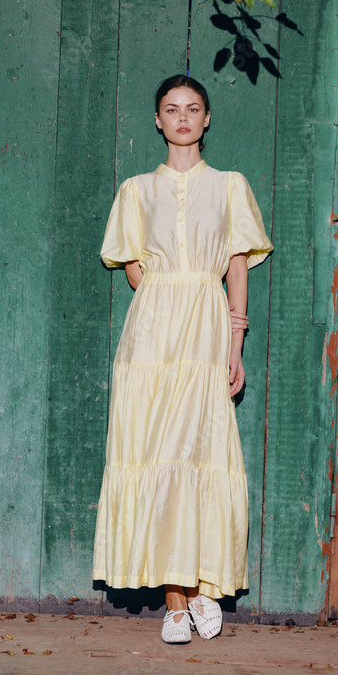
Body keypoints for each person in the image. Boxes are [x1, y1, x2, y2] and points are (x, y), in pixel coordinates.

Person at [92, 74, 273, 643]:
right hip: (151, 338)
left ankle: (200, 587)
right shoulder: (136, 190)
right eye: (171, 109)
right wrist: (164, 292)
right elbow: (133, 269)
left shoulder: (230, 186)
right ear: (158, 120)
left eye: (193, 108)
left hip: (207, 328)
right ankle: (178, 601)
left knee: (200, 452)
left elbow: (237, 266)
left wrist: (234, 343)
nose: (183, 118)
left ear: (207, 118)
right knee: (155, 453)